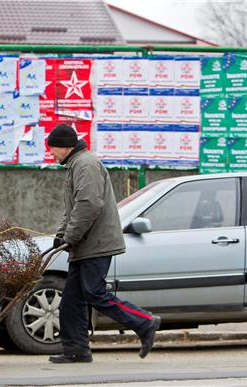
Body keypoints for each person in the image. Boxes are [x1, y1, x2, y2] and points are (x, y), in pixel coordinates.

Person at [46, 123, 161, 364]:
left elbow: (89, 205)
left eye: (53, 148)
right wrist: (62, 234)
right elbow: (74, 208)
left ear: (64, 146)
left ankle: (145, 322)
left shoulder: (85, 164)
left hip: (96, 243)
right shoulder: (76, 164)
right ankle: (76, 350)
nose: (52, 154)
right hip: (85, 244)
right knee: (71, 300)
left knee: (94, 293)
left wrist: (70, 236)